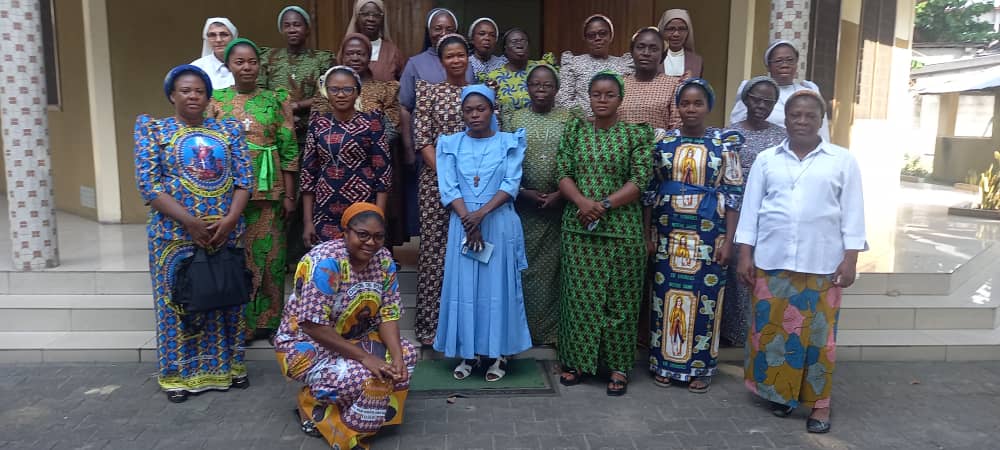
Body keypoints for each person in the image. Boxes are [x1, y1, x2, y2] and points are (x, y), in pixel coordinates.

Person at [736, 90, 866, 434]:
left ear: (821, 120)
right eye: (796, 115)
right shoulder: (767, 160)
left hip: (822, 265)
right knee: (773, 334)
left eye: (810, 115)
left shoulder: (842, 160)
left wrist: (851, 259)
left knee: (819, 340)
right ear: (786, 119)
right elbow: (750, 211)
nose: (803, 121)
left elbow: (853, 213)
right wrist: (745, 255)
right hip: (772, 262)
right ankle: (782, 394)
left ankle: (820, 405)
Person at [134, 65, 253, 403]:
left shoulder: (228, 130)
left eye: (199, 91)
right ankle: (179, 375)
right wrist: (190, 222)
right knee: (179, 304)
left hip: (224, 234)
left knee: (226, 298)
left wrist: (231, 219)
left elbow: (244, 179)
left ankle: (230, 368)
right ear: (172, 95)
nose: (193, 96)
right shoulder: (154, 130)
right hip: (174, 236)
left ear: (208, 97)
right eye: (185, 91)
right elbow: (149, 185)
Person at [274, 202, 416, 448]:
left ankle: (355, 415)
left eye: (378, 236)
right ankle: (315, 407)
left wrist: (397, 358)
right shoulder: (325, 262)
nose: (371, 242)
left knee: (406, 356)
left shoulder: (383, 259)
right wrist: (366, 358)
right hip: (307, 345)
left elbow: (388, 313)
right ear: (345, 233)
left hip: (354, 339)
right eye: (363, 234)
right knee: (362, 377)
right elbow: (313, 326)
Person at [644, 78, 745, 393]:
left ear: (708, 107)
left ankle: (700, 368)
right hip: (668, 234)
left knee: (706, 299)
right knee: (664, 298)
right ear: (677, 106)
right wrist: (648, 234)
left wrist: (729, 242)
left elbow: (733, 196)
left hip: (709, 237)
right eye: (685, 103)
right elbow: (649, 191)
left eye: (697, 103)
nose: (690, 109)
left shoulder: (724, 145)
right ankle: (664, 364)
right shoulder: (662, 142)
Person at [556, 71, 653, 396]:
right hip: (579, 230)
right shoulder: (575, 130)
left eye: (609, 94)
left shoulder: (636, 134)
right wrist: (582, 202)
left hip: (622, 232)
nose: (602, 99)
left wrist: (605, 204)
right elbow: (563, 172)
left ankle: (618, 367)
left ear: (620, 98)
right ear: (589, 96)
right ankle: (577, 363)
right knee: (579, 299)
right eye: (596, 94)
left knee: (621, 301)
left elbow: (640, 180)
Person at [434, 84, 532, 381]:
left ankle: (499, 354)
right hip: (463, 222)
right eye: (468, 110)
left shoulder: (509, 142)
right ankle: (469, 353)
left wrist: (481, 215)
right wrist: (469, 219)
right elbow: (448, 186)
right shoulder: (450, 143)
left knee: (496, 290)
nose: (474, 115)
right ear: (461, 113)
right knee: (465, 290)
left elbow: (510, 185)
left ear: (492, 110)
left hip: (497, 221)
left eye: (481, 109)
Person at [206, 38, 298, 338]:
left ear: (260, 65)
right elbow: (207, 144)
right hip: (228, 192)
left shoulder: (276, 99)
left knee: (271, 257)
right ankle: (240, 324)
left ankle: (271, 323)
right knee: (238, 256)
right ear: (228, 66)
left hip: (269, 192)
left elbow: (288, 147)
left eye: (252, 62)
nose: (247, 67)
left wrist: (290, 194)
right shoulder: (216, 100)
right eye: (239, 62)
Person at [501, 63, 578, 345]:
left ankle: (552, 333)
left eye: (547, 85)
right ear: (527, 88)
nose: (541, 90)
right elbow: (505, 162)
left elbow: (578, 157)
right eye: (535, 84)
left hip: (560, 207)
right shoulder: (514, 118)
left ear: (557, 89)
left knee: (555, 272)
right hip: (524, 207)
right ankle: (524, 331)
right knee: (525, 269)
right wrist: (523, 192)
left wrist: (561, 194)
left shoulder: (571, 118)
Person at [258, 5, 336, 268]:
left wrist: (297, 107)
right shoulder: (268, 58)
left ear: (307, 29)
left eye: (298, 24)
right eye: (288, 25)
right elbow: (261, 93)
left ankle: (304, 255)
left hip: (311, 137)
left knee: (308, 195)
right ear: (282, 29)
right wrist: (283, 114)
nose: (293, 29)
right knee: (281, 197)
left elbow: (329, 92)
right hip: (277, 139)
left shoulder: (322, 59)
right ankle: (278, 256)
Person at [314, 33, 407, 247]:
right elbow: (317, 125)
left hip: (371, 168)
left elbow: (392, 126)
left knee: (369, 236)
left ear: (369, 57)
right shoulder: (325, 90)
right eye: (350, 53)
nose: (355, 57)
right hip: (330, 172)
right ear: (342, 56)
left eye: (361, 53)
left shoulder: (385, 88)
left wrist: (359, 135)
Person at [412, 33, 472, 346]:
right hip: (435, 184)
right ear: (441, 60)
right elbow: (423, 140)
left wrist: (469, 178)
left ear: (468, 57)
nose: (456, 60)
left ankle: (463, 328)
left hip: (476, 185)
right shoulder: (429, 92)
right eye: (450, 56)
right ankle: (430, 327)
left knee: (469, 251)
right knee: (434, 252)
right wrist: (449, 178)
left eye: (461, 54)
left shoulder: (482, 92)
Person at [398, 7, 476, 240]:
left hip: (470, 168)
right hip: (433, 158)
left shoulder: (470, 69)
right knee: (436, 234)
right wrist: (409, 148)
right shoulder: (415, 63)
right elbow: (404, 106)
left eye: (449, 29)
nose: (443, 33)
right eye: (437, 28)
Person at [721, 76, 786, 347]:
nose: (761, 105)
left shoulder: (782, 137)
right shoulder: (729, 134)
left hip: (769, 212)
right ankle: (735, 333)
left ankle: (765, 330)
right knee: (737, 273)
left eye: (768, 101)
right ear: (746, 99)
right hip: (736, 212)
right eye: (756, 99)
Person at [301, 66, 392, 244]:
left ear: (357, 92)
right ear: (326, 92)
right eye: (334, 89)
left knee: (361, 256)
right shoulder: (318, 125)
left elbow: (383, 174)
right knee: (328, 258)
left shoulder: (371, 123)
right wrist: (307, 222)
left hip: (362, 208)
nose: (341, 95)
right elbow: (308, 174)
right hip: (325, 209)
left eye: (347, 89)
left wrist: (379, 217)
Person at [729, 40, 830, 140]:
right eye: (778, 61)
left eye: (790, 60)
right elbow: (738, 126)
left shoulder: (808, 93)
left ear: (796, 64)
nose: (785, 65)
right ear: (768, 66)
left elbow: (822, 131)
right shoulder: (756, 91)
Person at [555, 14, 632, 116]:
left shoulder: (624, 64)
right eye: (591, 35)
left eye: (603, 33)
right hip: (580, 123)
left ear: (610, 36)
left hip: (616, 122)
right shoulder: (573, 63)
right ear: (585, 39)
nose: (597, 38)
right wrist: (586, 118)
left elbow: (628, 98)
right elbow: (562, 100)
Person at [619, 27, 682, 130]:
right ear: (632, 52)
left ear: (663, 56)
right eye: (640, 47)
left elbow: (676, 127)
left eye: (653, 49)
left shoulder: (674, 85)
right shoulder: (619, 83)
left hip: (659, 141)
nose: (646, 53)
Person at [478, 28, 556, 111]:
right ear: (505, 48)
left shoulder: (543, 68)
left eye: (523, 41)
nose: (519, 45)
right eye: (514, 42)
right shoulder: (494, 77)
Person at [345, 0, 405, 81]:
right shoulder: (347, 49)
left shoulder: (392, 52)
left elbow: (404, 84)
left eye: (376, 15)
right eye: (365, 14)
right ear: (357, 17)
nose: (371, 19)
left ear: (382, 19)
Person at [191, 18, 238, 90]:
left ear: (233, 37)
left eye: (224, 34)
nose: (218, 40)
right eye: (212, 35)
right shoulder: (197, 68)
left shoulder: (245, 66)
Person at [657, 9, 703, 78]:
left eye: (681, 29)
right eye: (671, 29)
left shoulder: (697, 61)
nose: (676, 34)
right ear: (662, 31)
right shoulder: (653, 59)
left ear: (688, 32)